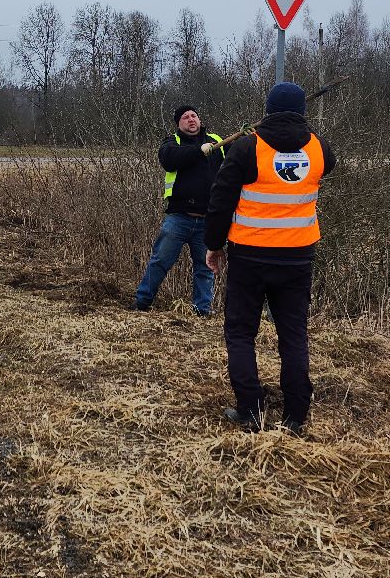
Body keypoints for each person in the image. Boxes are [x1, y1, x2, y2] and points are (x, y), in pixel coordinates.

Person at [205, 81, 336, 433]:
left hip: (250, 257)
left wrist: (214, 245)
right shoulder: (319, 149)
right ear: (302, 112)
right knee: (293, 336)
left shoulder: (248, 148)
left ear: (267, 109)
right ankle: (295, 416)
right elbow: (329, 164)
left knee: (241, 333)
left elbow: (220, 201)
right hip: (298, 258)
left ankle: (250, 409)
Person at [132, 105, 228, 315]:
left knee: (205, 269)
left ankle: (202, 311)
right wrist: (198, 150)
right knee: (160, 261)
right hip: (179, 218)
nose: (191, 119)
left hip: (207, 220)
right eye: (185, 117)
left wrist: (247, 138)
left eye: (194, 116)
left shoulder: (216, 140)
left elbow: (235, 156)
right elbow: (169, 160)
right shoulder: (171, 143)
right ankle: (142, 302)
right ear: (179, 124)